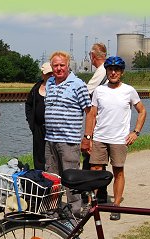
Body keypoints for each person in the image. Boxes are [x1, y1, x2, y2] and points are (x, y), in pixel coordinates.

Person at [83, 56, 146, 220]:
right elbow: (92, 114)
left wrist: (136, 132)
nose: (113, 72)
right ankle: (92, 204)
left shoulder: (129, 90)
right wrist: (88, 136)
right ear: (106, 71)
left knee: (118, 171)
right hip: (100, 137)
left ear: (122, 72)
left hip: (119, 139)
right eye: (110, 69)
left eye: (116, 70)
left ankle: (116, 205)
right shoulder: (99, 90)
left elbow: (142, 111)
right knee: (95, 170)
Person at [44, 51, 92, 215]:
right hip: (50, 139)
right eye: (55, 65)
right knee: (52, 178)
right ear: (51, 67)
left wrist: (87, 137)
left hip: (69, 141)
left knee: (71, 178)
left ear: (68, 65)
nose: (58, 68)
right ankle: (54, 209)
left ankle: (75, 211)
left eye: (62, 65)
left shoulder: (78, 84)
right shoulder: (50, 82)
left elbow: (90, 112)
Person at [84, 42, 109, 202]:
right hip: (106, 122)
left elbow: (86, 92)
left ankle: (92, 194)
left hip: (98, 122)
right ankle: (101, 193)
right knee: (100, 160)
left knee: (91, 158)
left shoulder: (101, 71)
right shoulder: (110, 69)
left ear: (93, 56)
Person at [25, 62, 54, 170]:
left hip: (53, 128)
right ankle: (40, 176)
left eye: (52, 73)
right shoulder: (36, 88)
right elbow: (28, 105)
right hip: (38, 127)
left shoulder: (58, 87)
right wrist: (31, 123)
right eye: (48, 74)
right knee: (39, 154)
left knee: (52, 154)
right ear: (43, 74)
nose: (50, 76)